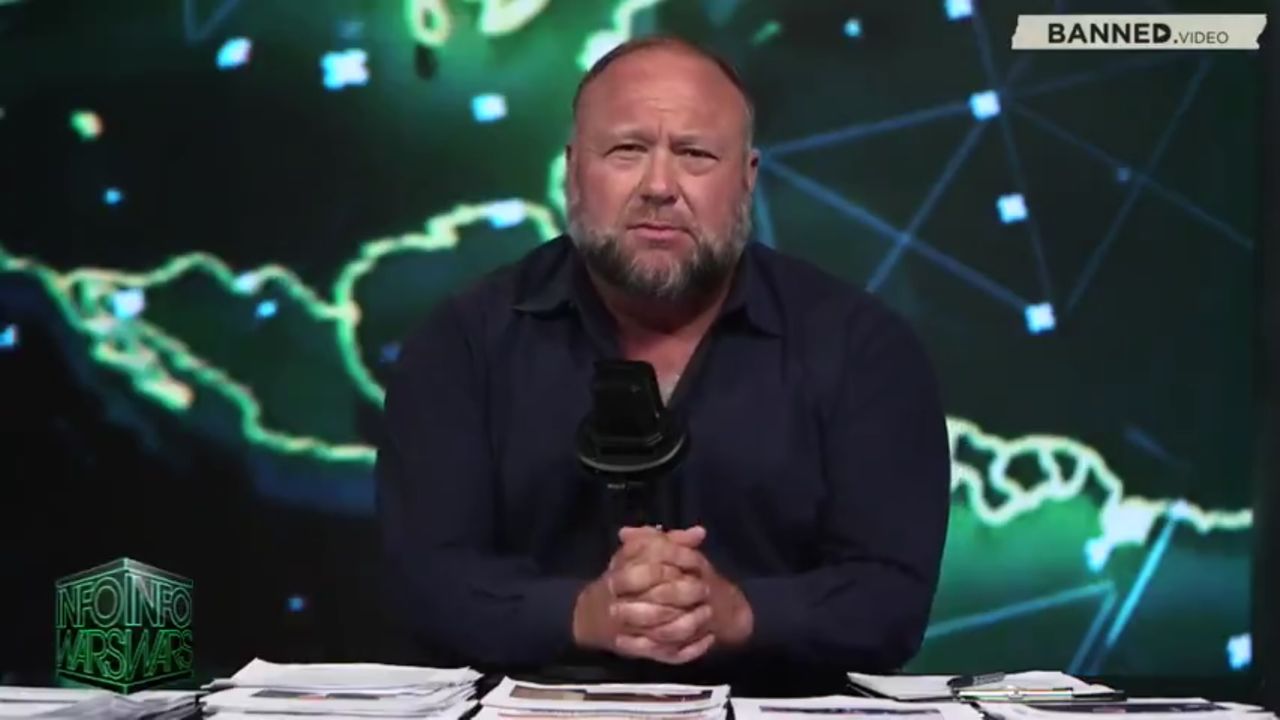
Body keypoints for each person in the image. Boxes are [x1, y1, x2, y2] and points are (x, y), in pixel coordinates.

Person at [375, 35, 952, 685]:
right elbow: (424, 582)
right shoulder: (462, 343)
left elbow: (890, 600)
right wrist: (585, 613)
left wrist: (738, 613)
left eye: (695, 154)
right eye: (626, 150)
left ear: (747, 177)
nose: (658, 186)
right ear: (572, 170)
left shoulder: (862, 347)